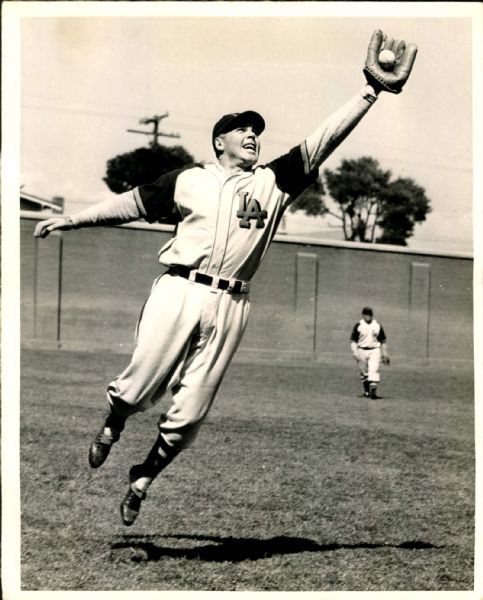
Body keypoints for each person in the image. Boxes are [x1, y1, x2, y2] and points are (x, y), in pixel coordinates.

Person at [34, 30, 416, 526]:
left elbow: (323, 140)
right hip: (180, 288)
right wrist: (74, 218)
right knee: (135, 390)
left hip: (233, 304)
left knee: (189, 414)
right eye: (243, 129)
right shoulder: (188, 179)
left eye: (257, 129)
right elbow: (131, 204)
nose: (253, 134)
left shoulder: (273, 182)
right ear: (221, 141)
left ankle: (142, 478)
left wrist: (371, 91)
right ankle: (113, 424)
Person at [350, 306, 390, 399]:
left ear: (372, 315)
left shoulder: (377, 325)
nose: (368, 316)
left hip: (374, 350)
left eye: (370, 314)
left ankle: (373, 392)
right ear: (363, 315)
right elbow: (353, 341)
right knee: (364, 372)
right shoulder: (359, 325)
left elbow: (383, 341)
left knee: (373, 370)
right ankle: (367, 392)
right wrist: (355, 352)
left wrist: (385, 353)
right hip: (361, 350)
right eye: (366, 314)